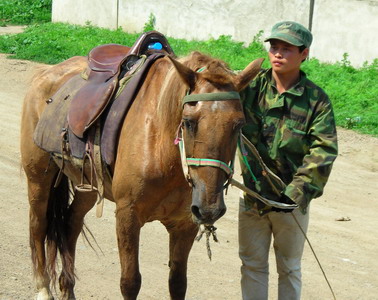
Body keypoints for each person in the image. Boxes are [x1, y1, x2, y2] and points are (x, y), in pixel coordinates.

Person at [238, 21, 338, 300]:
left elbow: (324, 150)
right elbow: (218, 110)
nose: (277, 54)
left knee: (290, 268)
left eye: (286, 49)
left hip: (291, 203)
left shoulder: (316, 100)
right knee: (252, 266)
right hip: (252, 197)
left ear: (304, 53)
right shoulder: (251, 87)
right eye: (273, 47)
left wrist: (295, 193)